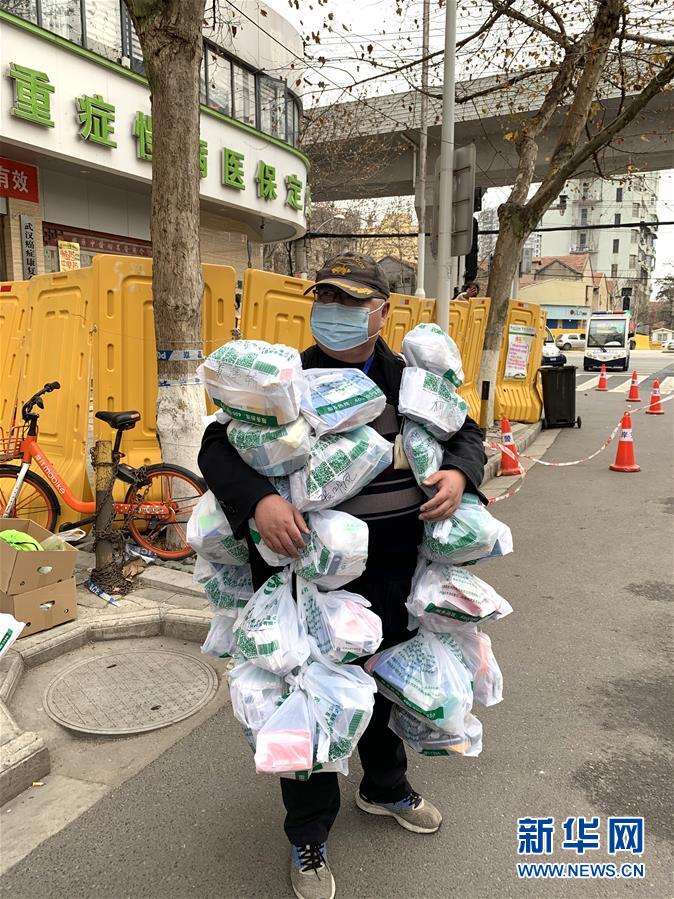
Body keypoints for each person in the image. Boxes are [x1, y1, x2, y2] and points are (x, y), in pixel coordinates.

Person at [198, 252, 487, 899]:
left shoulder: (410, 381)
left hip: (393, 571)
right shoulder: (286, 379)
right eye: (326, 299)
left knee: (385, 683)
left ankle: (384, 786)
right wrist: (260, 500)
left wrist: (462, 473)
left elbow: (468, 435)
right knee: (309, 700)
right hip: (308, 579)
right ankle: (309, 833)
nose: (336, 313)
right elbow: (215, 447)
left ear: (384, 310)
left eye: (353, 302)